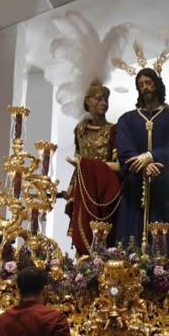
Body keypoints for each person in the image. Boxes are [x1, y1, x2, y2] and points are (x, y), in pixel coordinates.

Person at [114, 68, 169, 257]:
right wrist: (144, 164)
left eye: (148, 83)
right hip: (134, 192)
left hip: (163, 190)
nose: (145, 87)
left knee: (164, 245)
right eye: (141, 85)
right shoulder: (126, 120)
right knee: (130, 241)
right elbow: (124, 151)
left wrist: (151, 156)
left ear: (157, 84)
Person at [61, 80, 122, 256]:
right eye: (99, 99)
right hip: (84, 186)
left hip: (105, 187)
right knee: (82, 231)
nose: (103, 103)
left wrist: (91, 166)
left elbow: (118, 165)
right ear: (88, 101)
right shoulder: (80, 130)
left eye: (105, 100)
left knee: (106, 231)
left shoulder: (113, 130)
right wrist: (70, 188)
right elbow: (78, 161)